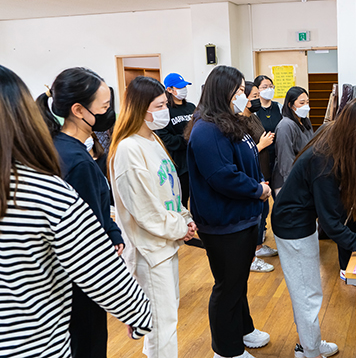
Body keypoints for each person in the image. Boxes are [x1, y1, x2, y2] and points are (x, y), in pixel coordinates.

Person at [0, 65, 152, 357]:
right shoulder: (40, 188)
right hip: (34, 340)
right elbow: (94, 260)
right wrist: (139, 313)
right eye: (104, 107)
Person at [272, 95, 356, 358]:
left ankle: (309, 343)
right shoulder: (323, 158)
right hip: (292, 225)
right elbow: (331, 224)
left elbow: (340, 173)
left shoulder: (334, 135)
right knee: (307, 293)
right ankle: (310, 351)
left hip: (300, 219)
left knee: (308, 288)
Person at [36, 67, 125, 358]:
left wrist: (112, 230)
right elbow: (87, 237)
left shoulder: (58, 147)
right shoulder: (77, 162)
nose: (109, 113)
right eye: (104, 107)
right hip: (81, 283)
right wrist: (124, 302)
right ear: (78, 110)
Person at [186, 66, 272, 358]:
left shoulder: (230, 121)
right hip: (224, 222)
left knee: (238, 282)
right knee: (227, 286)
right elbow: (222, 176)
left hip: (242, 216)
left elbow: (246, 161)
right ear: (223, 91)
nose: (244, 96)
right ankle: (226, 350)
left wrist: (258, 184)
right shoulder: (207, 129)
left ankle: (243, 329)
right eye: (239, 91)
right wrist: (257, 190)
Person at [108, 76, 196, 358]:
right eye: (159, 106)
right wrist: (180, 227)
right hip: (149, 250)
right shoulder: (128, 149)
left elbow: (170, 188)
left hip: (166, 244)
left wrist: (185, 217)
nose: (165, 111)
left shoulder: (153, 139)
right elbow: (145, 211)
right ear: (140, 109)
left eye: (165, 105)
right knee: (162, 326)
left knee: (164, 318)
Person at [240, 81, 277, 273]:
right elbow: (243, 153)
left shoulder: (253, 117)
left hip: (261, 170)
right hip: (250, 174)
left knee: (264, 210)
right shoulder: (239, 122)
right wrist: (261, 145)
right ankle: (251, 256)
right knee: (255, 214)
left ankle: (259, 246)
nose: (257, 100)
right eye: (254, 97)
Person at [156, 73, 195, 208]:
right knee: (181, 199)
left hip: (194, 159)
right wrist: (187, 139)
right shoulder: (166, 111)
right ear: (169, 90)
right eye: (180, 87)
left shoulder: (191, 107)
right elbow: (165, 138)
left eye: (184, 86)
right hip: (179, 164)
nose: (183, 89)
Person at [272, 86, 314, 193]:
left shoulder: (305, 121)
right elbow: (285, 160)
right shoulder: (285, 125)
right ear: (290, 105)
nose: (306, 106)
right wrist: (292, 184)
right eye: (301, 103)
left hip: (304, 175)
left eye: (307, 102)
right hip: (288, 180)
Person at [253, 75, 282, 191]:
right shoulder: (254, 110)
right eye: (264, 87)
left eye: (271, 86)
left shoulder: (279, 107)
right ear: (257, 89)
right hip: (262, 154)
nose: (269, 89)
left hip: (278, 153)